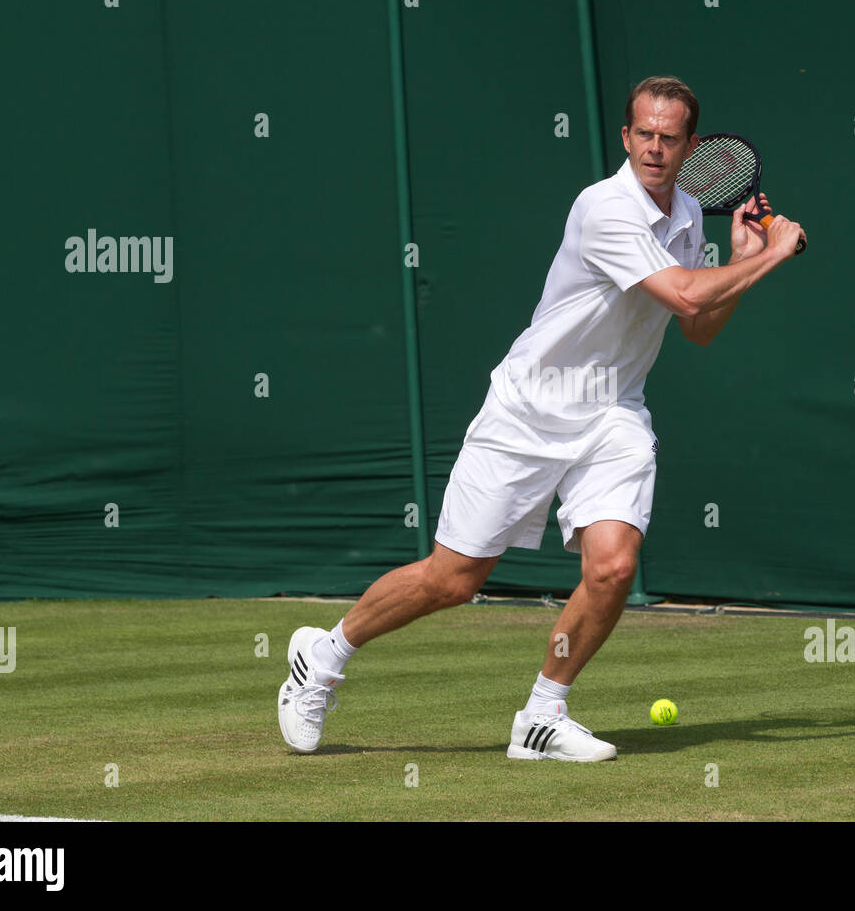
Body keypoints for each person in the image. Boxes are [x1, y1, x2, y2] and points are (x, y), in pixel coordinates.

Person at [278, 76, 806, 761]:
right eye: (642, 133)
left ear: (690, 146)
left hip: (613, 414)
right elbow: (681, 294)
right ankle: (323, 655)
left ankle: (542, 714)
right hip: (528, 410)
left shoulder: (683, 218)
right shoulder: (603, 208)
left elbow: (699, 326)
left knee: (614, 567)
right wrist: (767, 257)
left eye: (668, 137)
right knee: (453, 579)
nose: (653, 147)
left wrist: (738, 261)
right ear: (625, 137)